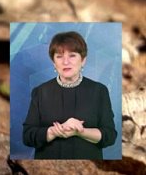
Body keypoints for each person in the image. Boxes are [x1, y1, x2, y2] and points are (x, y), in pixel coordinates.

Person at [22, 31, 118, 159]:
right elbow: (27, 136)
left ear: (83, 60)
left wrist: (80, 132)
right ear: (53, 62)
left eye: (72, 55)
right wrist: (54, 131)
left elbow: (110, 136)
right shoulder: (40, 92)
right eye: (59, 56)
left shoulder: (99, 91)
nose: (65, 62)